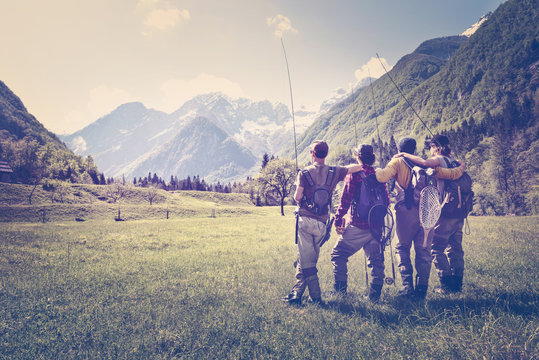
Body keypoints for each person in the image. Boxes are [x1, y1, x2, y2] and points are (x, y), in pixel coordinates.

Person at [375, 137, 465, 300]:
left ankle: (407, 286)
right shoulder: (426, 164)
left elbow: (382, 177)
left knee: (402, 247)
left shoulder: (398, 162)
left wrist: (369, 168)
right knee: (423, 250)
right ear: (414, 149)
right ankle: (422, 288)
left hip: (406, 211)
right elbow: (452, 174)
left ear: (399, 150)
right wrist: (461, 167)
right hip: (427, 210)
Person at [281, 140, 363, 306]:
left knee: (307, 260)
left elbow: (297, 197)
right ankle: (296, 293)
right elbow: (353, 168)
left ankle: (316, 297)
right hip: (322, 224)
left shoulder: (303, 173)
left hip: (305, 221)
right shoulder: (335, 171)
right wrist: (363, 163)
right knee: (307, 257)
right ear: (326, 154)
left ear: (312, 154)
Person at [330, 144, 389, 302]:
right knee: (376, 260)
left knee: (338, 254)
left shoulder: (355, 174)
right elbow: (387, 201)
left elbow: (345, 200)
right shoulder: (379, 174)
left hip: (358, 225)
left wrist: (338, 219)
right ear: (373, 157)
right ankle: (374, 296)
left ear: (357, 156)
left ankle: (340, 291)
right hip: (376, 226)